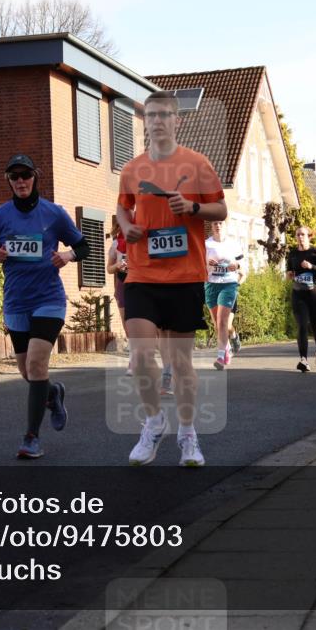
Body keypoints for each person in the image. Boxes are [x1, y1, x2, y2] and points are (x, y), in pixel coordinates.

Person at [117, 90, 227, 467]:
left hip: (184, 276)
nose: (158, 121)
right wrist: (127, 225)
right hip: (142, 273)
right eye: (152, 115)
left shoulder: (197, 163)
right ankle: (153, 423)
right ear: (145, 121)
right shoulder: (132, 168)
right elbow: (122, 205)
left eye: (165, 115)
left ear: (177, 121)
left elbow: (221, 208)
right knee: (141, 355)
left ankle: (188, 434)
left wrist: (194, 207)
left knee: (180, 364)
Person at [0, 154, 89, 460]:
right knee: (27, 372)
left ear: (35, 176)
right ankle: (52, 393)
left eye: (25, 175)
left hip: (48, 299)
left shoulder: (54, 213)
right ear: (9, 181)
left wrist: (67, 256)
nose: (21, 181)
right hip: (16, 301)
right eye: (14, 177)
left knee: (38, 365)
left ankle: (31, 438)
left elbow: (84, 246)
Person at [286, 226, 316, 371]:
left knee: (315, 326)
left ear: (309, 237)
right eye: (298, 234)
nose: (300, 237)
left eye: (303, 235)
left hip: (315, 294)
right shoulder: (292, 254)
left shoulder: (315, 252)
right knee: (301, 326)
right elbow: (289, 271)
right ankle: (303, 360)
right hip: (298, 293)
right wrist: (289, 275)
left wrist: (312, 266)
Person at [205, 220, 245, 369]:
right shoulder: (206, 244)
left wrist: (237, 265)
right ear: (211, 226)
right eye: (215, 223)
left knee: (223, 321)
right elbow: (200, 265)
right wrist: (208, 263)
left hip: (228, 284)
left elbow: (243, 266)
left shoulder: (233, 244)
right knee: (217, 323)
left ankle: (220, 356)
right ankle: (227, 347)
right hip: (211, 284)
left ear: (225, 225)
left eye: (221, 222)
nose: (218, 225)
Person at [107, 224, 132, 375]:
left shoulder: (141, 240)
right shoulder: (116, 244)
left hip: (139, 282)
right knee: (126, 321)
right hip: (122, 284)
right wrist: (117, 265)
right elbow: (109, 269)